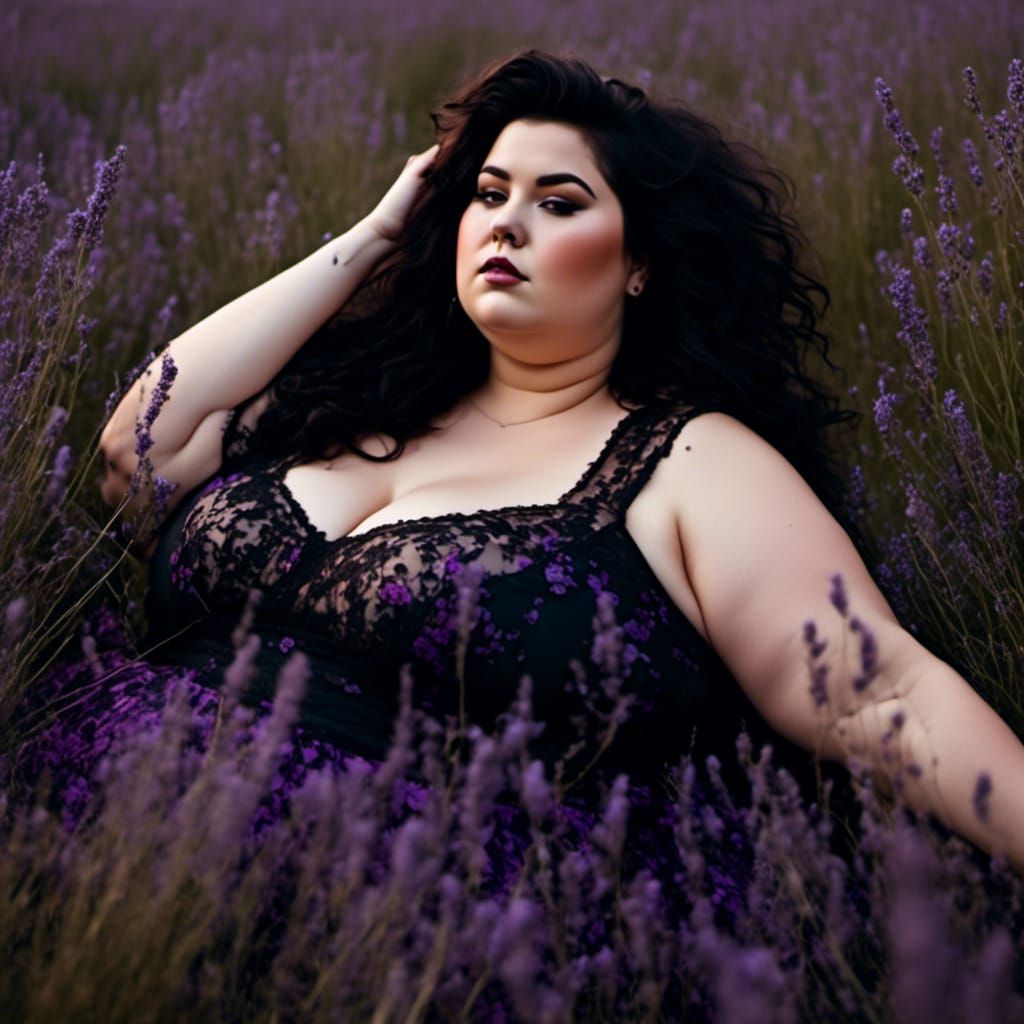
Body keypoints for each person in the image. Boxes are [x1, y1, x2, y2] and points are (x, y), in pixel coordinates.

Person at [8, 47, 1024, 923]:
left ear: (637, 264)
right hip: (75, 817)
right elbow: (137, 447)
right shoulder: (357, 399)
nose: (507, 223)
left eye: (559, 202)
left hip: (378, 911)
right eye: (486, 195)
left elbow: (875, 692)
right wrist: (376, 233)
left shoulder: (685, 458)